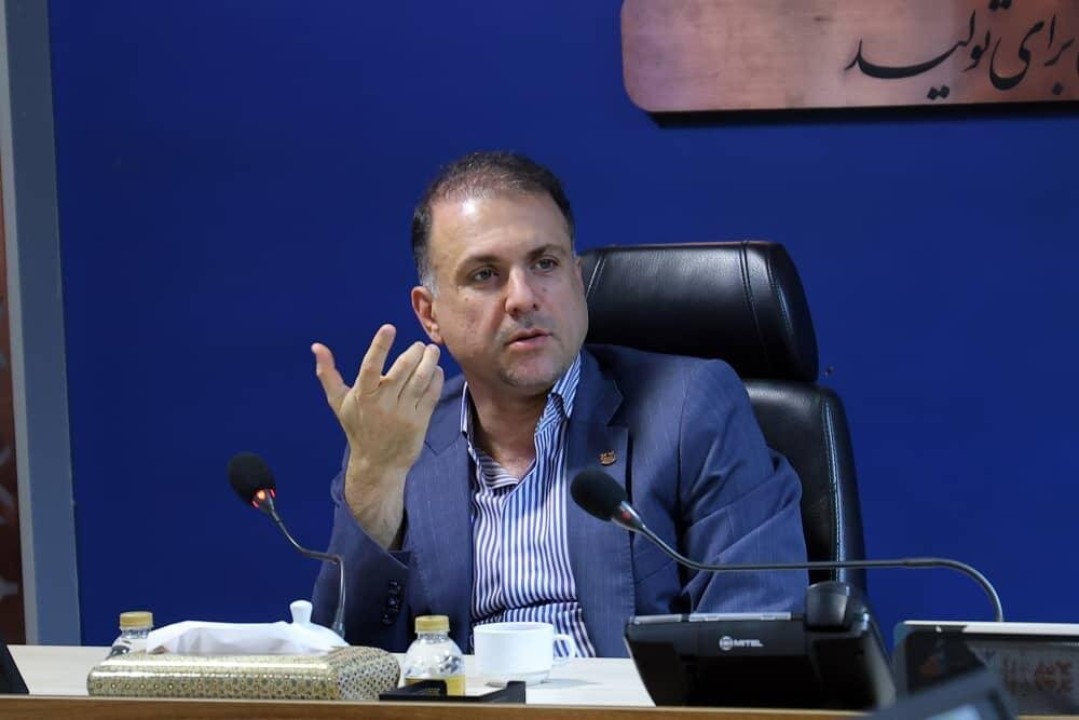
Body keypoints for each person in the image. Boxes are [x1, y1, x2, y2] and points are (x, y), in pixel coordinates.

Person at [310, 151, 807, 657]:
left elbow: (750, 636)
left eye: (544, 264)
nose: (522, 297)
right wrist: (374, 479)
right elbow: (343, 661)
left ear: (576, 279)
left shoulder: (689, 408)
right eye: (485, 274)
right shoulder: (401, 440)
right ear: (430, 314)